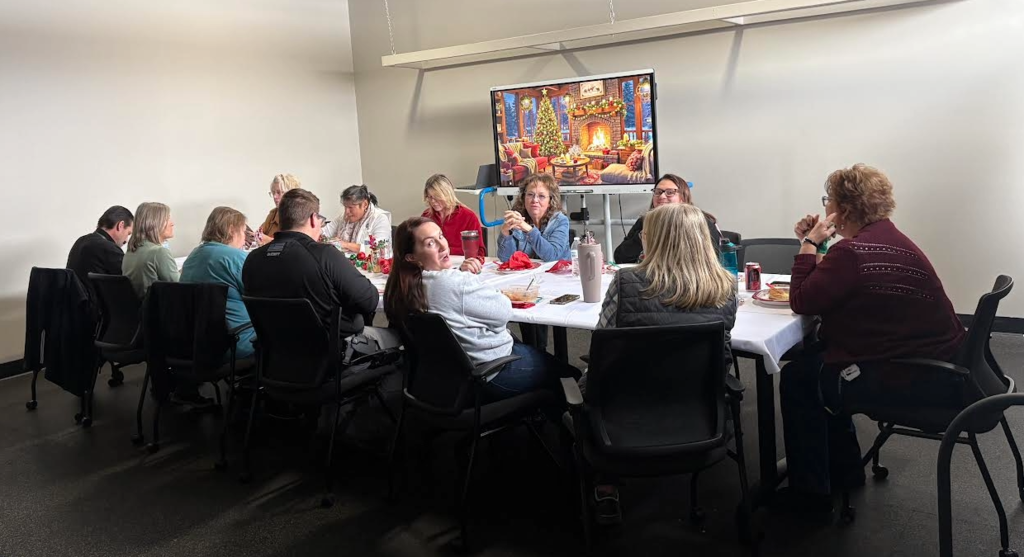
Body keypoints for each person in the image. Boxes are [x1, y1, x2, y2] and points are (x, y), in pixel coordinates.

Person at [778, 164, 966, 513]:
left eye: (828, 201)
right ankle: (846, 470)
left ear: (844, 210)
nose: (825, 206)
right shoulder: (886, 237)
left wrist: (809, 243)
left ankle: (811, 497)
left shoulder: (853, 253)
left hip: (912, 376)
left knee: (800, 376)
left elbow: (803, 300)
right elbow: (836, 278)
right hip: (944, 365)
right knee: (821, 361)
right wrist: (815, 245)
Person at [586, 202, 738, 524]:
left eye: (645, 234)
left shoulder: (626, 283)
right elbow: (722, 356)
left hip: (622, 416)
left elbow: (603, 344)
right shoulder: (726, 287)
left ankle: (606, 485)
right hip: (699, 414)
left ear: (657, 240)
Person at [384, 216, 577, 403]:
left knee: (533, 354)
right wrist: (468, 280)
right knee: (571, 376)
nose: (443, 245)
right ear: (411, 257)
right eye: (430, 243)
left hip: (441, 381)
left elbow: (447, 296)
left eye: (441, 236)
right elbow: (503, 311)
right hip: (489, 374)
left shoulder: (400, 288)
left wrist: (460, 277)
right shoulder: (453, 283)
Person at [243, 188, 398, 357]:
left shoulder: (251, 260)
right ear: (312, 219)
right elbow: (369, 301)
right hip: (332, 355)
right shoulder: (325, 255)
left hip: (275, 357)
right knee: (400, 337)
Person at [180, 207, 255, 359]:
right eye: (242, 232)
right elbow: (260, 298)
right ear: (231, 230)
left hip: (197, 342)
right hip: (238, 341)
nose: (244, 238)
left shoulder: (192, 257)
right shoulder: (237, 258)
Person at [613, 174, 723, 264]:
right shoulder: (644, 221)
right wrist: (644, 236)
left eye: (670, 192)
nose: (662, 197)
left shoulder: (700, 221)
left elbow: (716, 261)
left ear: (683, 197)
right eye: (658, 192)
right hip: (650, 279)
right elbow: (620, 257)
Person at [496, 173, 570, 262]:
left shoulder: (560, 220)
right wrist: (505, 233)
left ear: (550, 201)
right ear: (523, 198)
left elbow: (552, 256)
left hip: (555, 274)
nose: (535, 200)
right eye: (530, 194)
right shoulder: (518, 217)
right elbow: (506, 259)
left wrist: (529, 230)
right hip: (526, 274)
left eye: (541, 196)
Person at [421, 174, 486, 258]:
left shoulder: (468, 216)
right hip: (434, 266)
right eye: (430, 197)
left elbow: (480, 252)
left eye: (437, 197)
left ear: (447, 194)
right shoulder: (426, 217)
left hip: (461, 266)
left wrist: (449, 250)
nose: (433, 201)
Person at [67, 205, 134, 285]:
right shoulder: (110, 249)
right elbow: (130, 284)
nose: (126, 240)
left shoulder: (80, 241)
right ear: (120, 225)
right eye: (128, 233)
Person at [122, 202, 178, 299]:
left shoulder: (130, 252)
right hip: (159, 311)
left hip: (140, 311)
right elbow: (182, 287)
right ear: (155, 223)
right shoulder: (159, 253)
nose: (172, 223)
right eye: (167, 219)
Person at [321, 184, 392, 255]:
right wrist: (330, 240)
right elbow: (324, 232)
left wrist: (345, 245)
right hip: (345, 262)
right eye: (345, 207)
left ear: (365, 205)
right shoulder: (343, 217)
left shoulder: (380, 218)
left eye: (350, 207)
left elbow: (379, 248)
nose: (346, 212)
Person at [257, 173, 301, 245]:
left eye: (279, 192)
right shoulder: (273, 214)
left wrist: (268, 240)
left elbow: (295, 246)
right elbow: (261, 234)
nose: (274, 196)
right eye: (273, 192)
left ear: (292, 194)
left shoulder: (301, 216)